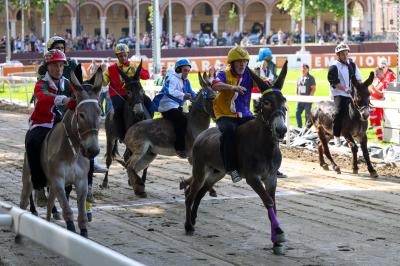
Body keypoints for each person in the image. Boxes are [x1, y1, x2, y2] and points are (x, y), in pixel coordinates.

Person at [25, 49, 75, 206]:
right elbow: (44, 97)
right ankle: (39, 186)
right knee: (32, 143)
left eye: (61, 66)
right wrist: (64, 100)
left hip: (63, 124)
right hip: (42, 124)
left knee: (83, 138)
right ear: (47, 67)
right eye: (54, 66)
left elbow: (78, 94)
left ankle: (86, 180)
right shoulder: (41, 84)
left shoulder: (68, 83)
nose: (58, 69)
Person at [211, 46, 255, 183]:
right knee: (229, 131)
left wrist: (268, 83)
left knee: (264, 127)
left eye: (244, 61)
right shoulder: (224, 73)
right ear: (232, 63)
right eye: (239, 61)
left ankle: (270, 164)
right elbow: (215, 85)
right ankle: (232, 168)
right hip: (225, 115)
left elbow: (262, 82)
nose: (242, 64)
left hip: (245, 114)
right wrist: (232, 87)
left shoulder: (249, 73)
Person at [103, 43, 152, 142]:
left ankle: (150, 125)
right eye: (120, 56)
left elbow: (146, 76)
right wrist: (100, 77)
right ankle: (122, 135)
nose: (123, 57)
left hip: (134, 94)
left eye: (125, 55)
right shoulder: (111, 69)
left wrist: (138, 72)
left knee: (148, 102)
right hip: (118, 95)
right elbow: (104, 83)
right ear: (117, 56)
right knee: (118, 111)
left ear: (127, 54)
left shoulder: (133, 65)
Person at [152, 59, 196, 158]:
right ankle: (179, 148)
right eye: (185, 70)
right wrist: (184, 95)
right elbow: (169, 91)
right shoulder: (171, 77)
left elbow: (192, 92)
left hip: (176, 106)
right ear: (178, 70)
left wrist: (199, 97)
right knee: (182, 119)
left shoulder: (186, 81)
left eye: (188, 71)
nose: (187, 73)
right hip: (166, 105)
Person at [327, 42, 363, 147]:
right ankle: (336, 136)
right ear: (337, 55)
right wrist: (345, 89)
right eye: (342, 54)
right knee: (338, 113)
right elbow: (334, 83)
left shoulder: (352, 64)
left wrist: (361, 88)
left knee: (361, 108)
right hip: (338, 93)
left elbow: (359, 79)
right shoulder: (333, 67)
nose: (345, 56)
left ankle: (357, 133)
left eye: (346, 53)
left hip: (351, 93)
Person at [368, 67, 387, 141]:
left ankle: (381, 138)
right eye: (375, 73)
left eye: (377, 73)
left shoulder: (385, 81)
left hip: (380, 105)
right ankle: (378, 136)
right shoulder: (377, 81)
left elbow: (383, 94)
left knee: (378, 120)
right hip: (374, 104)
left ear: (382, 73)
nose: (376, 75)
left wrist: (374, 89)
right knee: (375, 120)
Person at [296, 64, 316, 128]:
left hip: (307, 100)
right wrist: (297, 96)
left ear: (308, 69)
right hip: (300, 100)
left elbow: (313, 89)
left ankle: (306, 129)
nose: (303, 70)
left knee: (307, 115)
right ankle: (299, 127)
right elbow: (297, 87)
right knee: (297, 113)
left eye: (304, 68)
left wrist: (309, 98)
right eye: (302, 68)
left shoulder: (311, 78)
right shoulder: (299, 78)